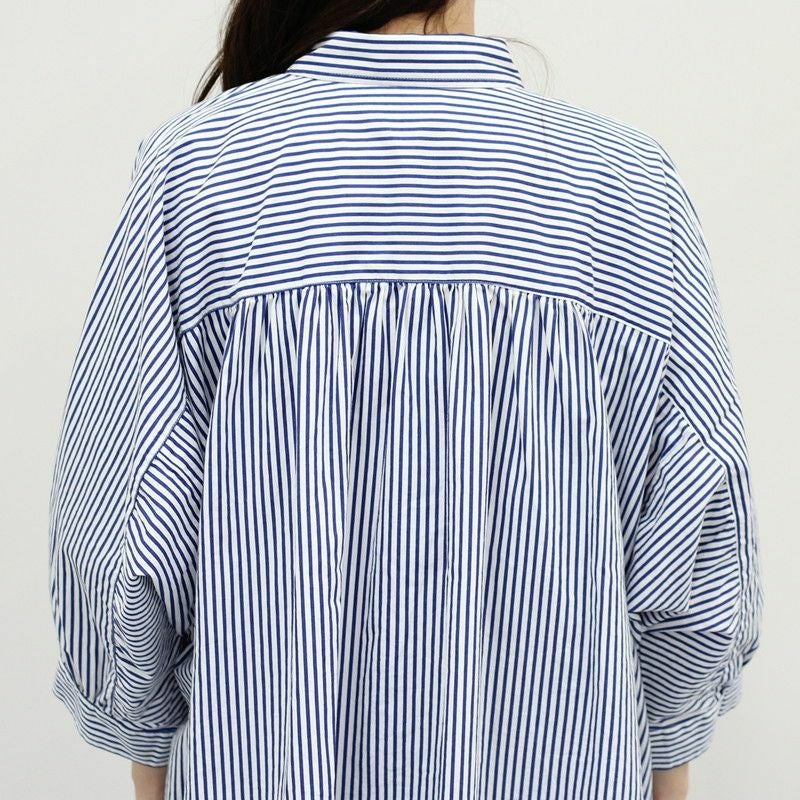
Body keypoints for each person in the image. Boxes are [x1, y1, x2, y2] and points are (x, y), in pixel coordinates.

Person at [46, 1, 763, 799]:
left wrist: (148, 738)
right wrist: (669, 737)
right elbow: (693, 551)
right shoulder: (626, 185)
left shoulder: (198, 171)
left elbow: (120, 534)